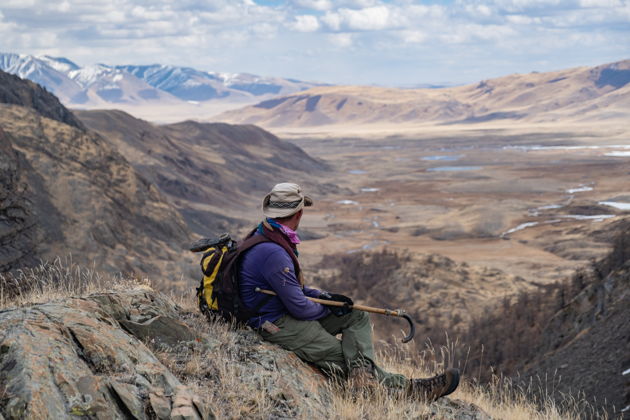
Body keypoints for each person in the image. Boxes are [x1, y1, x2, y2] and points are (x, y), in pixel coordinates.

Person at [239, 182, 459, 401]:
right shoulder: (272, 252)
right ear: (299, 213)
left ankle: (363, 381)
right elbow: (299, 307)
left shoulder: (267, 234)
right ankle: (411, 391)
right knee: (344, 356)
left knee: (357, 315)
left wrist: (325, 298)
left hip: (282, 311)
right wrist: (328, 311)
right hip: (274, 322)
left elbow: (292, 289)